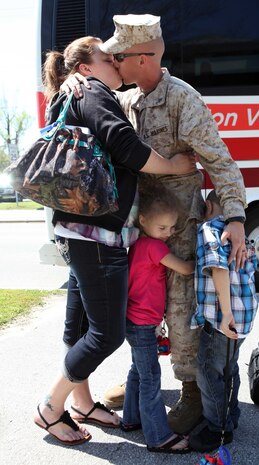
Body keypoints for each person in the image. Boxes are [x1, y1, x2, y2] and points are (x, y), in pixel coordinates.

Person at [61, 13, 248, 434]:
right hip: (136, 227)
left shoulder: (183, 99)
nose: (112, 62)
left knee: (181, 311)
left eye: (118, 56)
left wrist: (234, 215)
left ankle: (192, 392)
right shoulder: (126, 100)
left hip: (177, 230)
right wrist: (76, 82)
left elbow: (219, 158)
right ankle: (143, 380)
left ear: (142, 58)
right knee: (141, 308)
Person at [33, 36, 196, 446]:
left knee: (81, 324)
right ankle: (51, 408)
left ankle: (83, 403)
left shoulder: (72, 93)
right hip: (97, 232)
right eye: (109, 58)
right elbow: (126, 147)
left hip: (75, 228)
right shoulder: (92, 92)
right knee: (104, 333)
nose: (118, 62)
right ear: (86, 68)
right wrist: (173, 165)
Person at [121, 180, 194, 453]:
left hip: (132, 319)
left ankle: (131, 419)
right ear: (143, 220)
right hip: (143, 322)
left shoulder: (137, 244)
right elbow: (185, 269)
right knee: (151, 378)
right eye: (162, 227)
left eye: (173, 227)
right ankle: (158, 437)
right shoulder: (155, 247)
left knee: (137, 372)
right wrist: (205, 260)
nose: (168, 233)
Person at [189, 190, 258, 452]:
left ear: (207, 205)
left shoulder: (210, 228)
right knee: (229, 367)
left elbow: (217, 266)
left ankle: (217, 428)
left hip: (222, 317)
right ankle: (232, 415)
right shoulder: (243, 235)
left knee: (208, 371)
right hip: (245, 315)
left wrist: (225, 313)